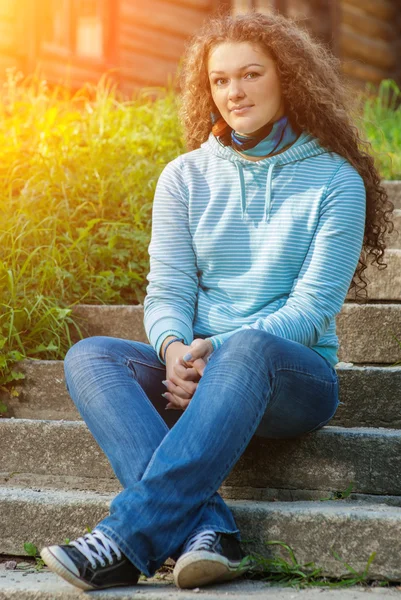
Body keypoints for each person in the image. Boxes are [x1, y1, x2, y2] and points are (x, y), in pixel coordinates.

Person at [40, 9, 393, 593]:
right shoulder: (184, 177)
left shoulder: (335, 181)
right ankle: (209, 530)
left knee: (252, 346)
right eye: (220, 80)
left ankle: (125, 538)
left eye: (251, 74)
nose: (234, 91)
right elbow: (169, 290)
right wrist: (175, 348)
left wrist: (219, 351)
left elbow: (310, 312)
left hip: (292, 378)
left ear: (289, 79)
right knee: (91, 357)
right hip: (199, 370)